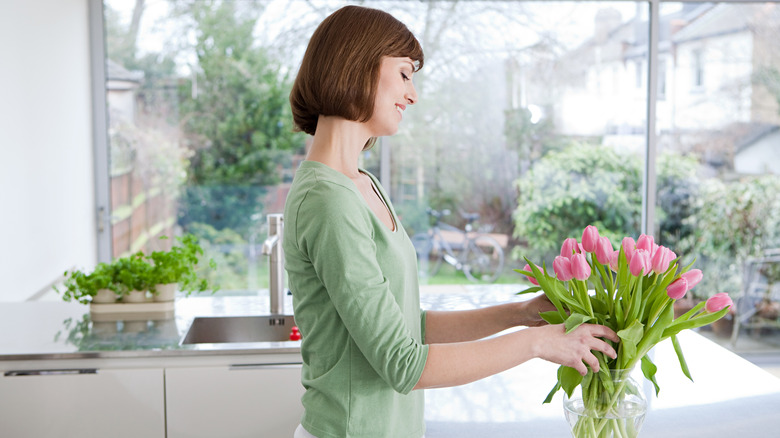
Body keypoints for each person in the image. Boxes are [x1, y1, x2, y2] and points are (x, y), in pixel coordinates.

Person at [283, 5, 619, 438]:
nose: (413, 94)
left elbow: (408, 327)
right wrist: (539, 343)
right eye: (404, 74)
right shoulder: (328, 200)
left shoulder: (361, 183)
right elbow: (403, 363)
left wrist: (520, 315)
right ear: (358, 65)